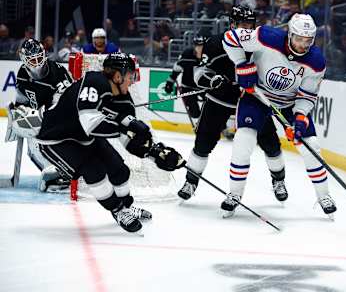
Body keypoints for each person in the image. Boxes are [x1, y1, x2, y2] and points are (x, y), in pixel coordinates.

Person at [35, 53, 185, 233]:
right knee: (94, 171)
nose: (132, 81)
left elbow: (127, 140)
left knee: (120, 170)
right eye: (131, 76)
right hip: (56, 139)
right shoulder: (94, 81)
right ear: (117, 75)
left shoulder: (124, 101)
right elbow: (90, 123)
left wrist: (154, 154)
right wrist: (126, 128)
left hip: (83, 137)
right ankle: (118, 210)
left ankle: (126, 208)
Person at [221, 13, 336, 217]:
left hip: (289, 104)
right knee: (243, 141)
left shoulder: (316, 61)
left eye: (308, 40)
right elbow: (230, 38)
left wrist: (300, 117)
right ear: (290, 34)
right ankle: (234, 194)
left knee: (311, 147)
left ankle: (323, 196)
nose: (303, 45)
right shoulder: (266, 36)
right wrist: (241, 64)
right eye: (299, 39)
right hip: (257, 95)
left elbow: (307, 95)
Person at [177, 6, 287, 205]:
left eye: (250, 24)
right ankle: (191, 182)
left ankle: (279, 180)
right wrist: (212, 80)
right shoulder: (216, 43)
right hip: (219, 99)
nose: (247, 28)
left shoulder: (262, 43)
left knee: (270, 143)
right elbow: (200, 73)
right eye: (242, 24)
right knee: (202, 143)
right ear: (232, 24)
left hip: (253, 100)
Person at [6, 39, 74, 191]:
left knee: (41, 134)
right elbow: (22, 101)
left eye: (39, 57)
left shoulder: (58, 72)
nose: (37, 63)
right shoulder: (22, 73)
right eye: (32, 60)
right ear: (24, 60)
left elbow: (66, 105)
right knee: (32, 141)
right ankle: (55, 171)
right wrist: (17, 112)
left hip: (64, 121)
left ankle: (65, 170)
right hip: (43, 120)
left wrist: (42, 117)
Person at [164, 36, 206, 119]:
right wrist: (169, 83)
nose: (200, 48)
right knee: (194, 113)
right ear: (194, 46)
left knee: (213, 106)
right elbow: (176, 69)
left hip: (203, 87)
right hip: (188, 87)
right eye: (198, 46)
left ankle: (218, 126)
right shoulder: (187, 55)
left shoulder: (208, 56)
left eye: (202, 46)